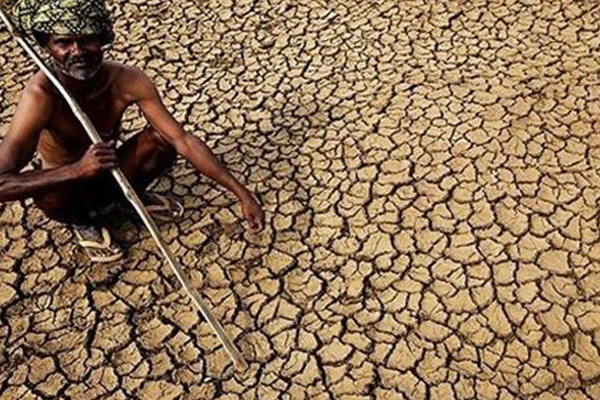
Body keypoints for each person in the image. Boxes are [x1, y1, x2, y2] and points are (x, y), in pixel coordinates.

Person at [0, 0, 264, 262]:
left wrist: (241, 193)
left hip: (112, 169)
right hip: (71, 187)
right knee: (48, 194)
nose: (77, 51)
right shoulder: (41, 96)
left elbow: (182, 139)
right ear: (47, 47)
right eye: (63, 42)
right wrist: (76, 170)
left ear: (102, 39)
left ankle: (126, 199)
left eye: (88, 39)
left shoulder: (126, 79)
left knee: (161, 140)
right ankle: (84, 222)